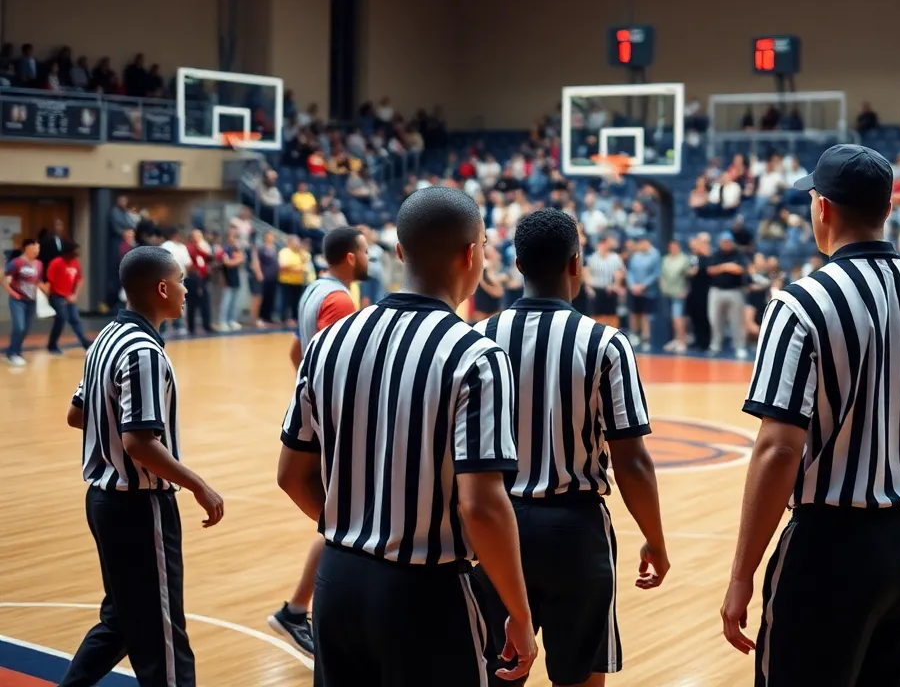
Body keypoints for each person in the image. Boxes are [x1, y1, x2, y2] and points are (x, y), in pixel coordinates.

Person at [720, 144, 900, 687]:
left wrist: (742, 575)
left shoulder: (799, 304)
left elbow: (778, 449)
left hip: (829, 549)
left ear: (822, 208)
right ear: (887, 209)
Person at [276, 187, 537, 685]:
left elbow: (291, 476)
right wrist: (520, 616)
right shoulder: (475, 354)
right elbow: (480, 506)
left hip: (336, 582)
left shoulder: (329, 342)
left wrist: (359, 532)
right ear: (472, 254)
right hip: (426, 595)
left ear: (399, 252)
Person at [472, 208, 669, 686]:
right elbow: (633, 461)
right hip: (576, 531)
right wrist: (656, 540)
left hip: (497, 527)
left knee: (496, 674)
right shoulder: (606, 343)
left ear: (516, 265)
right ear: (576, 263)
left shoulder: (476, 338)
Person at [60, 246, 225, 687]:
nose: (188, 291)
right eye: (183, 282)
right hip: (139, 508)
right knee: (164, 641)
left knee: (120, 623)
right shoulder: (143, 351)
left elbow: (78, 414)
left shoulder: (106, 338)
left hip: (102, 502)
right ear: (162, 288)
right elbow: (139, 444)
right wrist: (199, 485)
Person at [266, 227, 368, 658]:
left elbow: (297, 350)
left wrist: (307, 395)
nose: (370, 256)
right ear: (349, 256)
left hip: (316, 416)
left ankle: (297, 608)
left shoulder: (314, 291)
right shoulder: (341, 300)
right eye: (365, 250)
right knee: (344, 520)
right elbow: (339, 356)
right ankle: (296, 609)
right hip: (334, 422)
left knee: (340, 520)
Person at [6, 238, 47, 365]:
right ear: (28, 247)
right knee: (19, 326)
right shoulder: (16, 262)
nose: (38, 250)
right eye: (36, 247)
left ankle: (16, 350)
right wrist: (11, 292)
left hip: (31, 301)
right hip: (18, 300)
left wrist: (44, 287)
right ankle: (13, 353)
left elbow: (38, 280)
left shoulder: (39, 264)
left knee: (26, 329)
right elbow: (3, 277)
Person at [707, 233, 748, 359]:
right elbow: (710, 270)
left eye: (728, 242)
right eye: (724, 242)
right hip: (716, 291)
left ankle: (739, 346)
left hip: (734, 291)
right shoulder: (715, 254)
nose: (726, 244)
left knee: (736, 321)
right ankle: (715, 345)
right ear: (720, 242)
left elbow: (740, 270)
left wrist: (722, 268)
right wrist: (726, 267)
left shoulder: (738, 254)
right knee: (715, 319)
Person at [46, 241, 91, 354]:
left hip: (70, 296)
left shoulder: (75, 262)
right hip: (57, 296)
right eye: (75, 251)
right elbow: (49, 283)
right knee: (61, 318)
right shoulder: (56, 263)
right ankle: (52, 345)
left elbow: (80, 279)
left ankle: (85, 343)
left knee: (75, 320)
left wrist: (75, 295)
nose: (77, 253)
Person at [626, 236, 661, 351]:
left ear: (645, 242)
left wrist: (643, 285)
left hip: (648, 291)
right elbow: (630, 271)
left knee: (646, 315)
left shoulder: (655, 255)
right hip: (634, 290)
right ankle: (635, 335)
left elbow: (656, 274)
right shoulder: (635, 255)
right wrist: (633, 285)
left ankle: (646, 338)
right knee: (634, 313)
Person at [585, 237, 625, 327]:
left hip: (610, 290)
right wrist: (589, 288)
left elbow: (619, 274)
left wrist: (616, 285)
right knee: (596, 315)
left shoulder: (615, 258)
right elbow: (587, 273)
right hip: (596, 290)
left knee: (611, 315)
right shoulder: (592, 258)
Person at [660, 240, 692, 353]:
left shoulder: (684, 259)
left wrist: (686, 290)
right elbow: (662, 275)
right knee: (672, 318)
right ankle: (676, 340)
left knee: (678, 318)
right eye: (671, 247)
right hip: (667, 292)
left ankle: (683, 341)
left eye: (675, 247)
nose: (673, 248)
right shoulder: (665, 259)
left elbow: (688, 276)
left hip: (679, 292)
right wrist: (662, 286)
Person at [184, 229, 215, 335]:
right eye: (196, 236)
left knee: (205, 302)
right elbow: (190, 263)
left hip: (203, 278)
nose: (198, 238)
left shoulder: (200, 247)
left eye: (200, 236)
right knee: (192, 303)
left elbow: (208, 257)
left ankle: (207, 325)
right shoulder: (189, 247)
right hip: (193, 278)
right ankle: (191, 328)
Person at [217, 226, 246, 332]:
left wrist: (236, 260)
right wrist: (237, 260)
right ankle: (222, 321)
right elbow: (227, 263)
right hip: (227, 277)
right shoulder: (224, 249)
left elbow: (242, 259)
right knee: (227, 300)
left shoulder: (236, 249)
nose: (234, 238)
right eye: (232, 236)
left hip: (236, 277)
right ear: (228, 237)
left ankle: (232, 320)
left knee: (235, 300)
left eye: (235, 236)